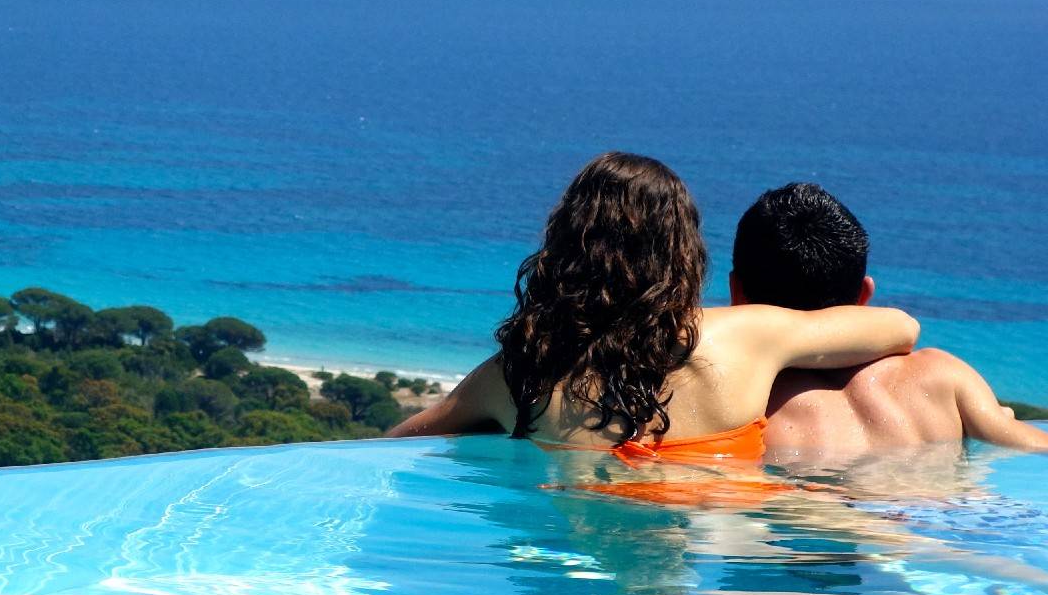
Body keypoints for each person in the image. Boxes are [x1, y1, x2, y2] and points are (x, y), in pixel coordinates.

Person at [387, 152, 918, 459]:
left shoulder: (518, 374)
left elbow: (393, 447)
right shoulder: (748, 334)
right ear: (685, 254)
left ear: (561, 249)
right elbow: (899, 328)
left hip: (565, 560)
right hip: (717, 545)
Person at [733, 182, 1048, 456]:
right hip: (955, 505)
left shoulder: (742, 402)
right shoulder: (943, 375)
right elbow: (1033, 445)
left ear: (736, 293)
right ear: (865, 293)